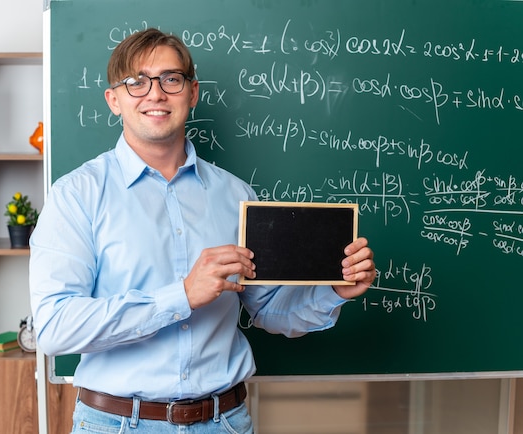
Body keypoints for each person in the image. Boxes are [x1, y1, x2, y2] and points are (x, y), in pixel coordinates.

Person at [29, 28, 376, 433]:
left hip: (224, 422)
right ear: (114, 100)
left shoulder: (236, 196)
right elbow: (55, 327)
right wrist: (180, 296)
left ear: (192, 93)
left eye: (170, 79)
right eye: (137, 82)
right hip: (117, 423)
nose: (155, 94)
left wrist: (334, 291)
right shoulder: (76, 196)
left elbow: (267, 310)